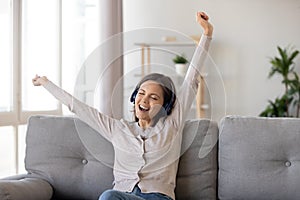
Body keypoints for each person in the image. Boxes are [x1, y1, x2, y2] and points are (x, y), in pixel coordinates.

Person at [32, 11, 213, 200]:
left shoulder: (171, 126)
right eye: (141, 94)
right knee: (109, 196)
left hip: (158, 197)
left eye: (153, 97)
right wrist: (47, 84)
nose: (144, 100)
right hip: (122, 196)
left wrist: (207, 34)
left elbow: (192, 79)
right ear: (134, 98)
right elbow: (77, 107)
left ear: (164, 107)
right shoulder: (117, 129)